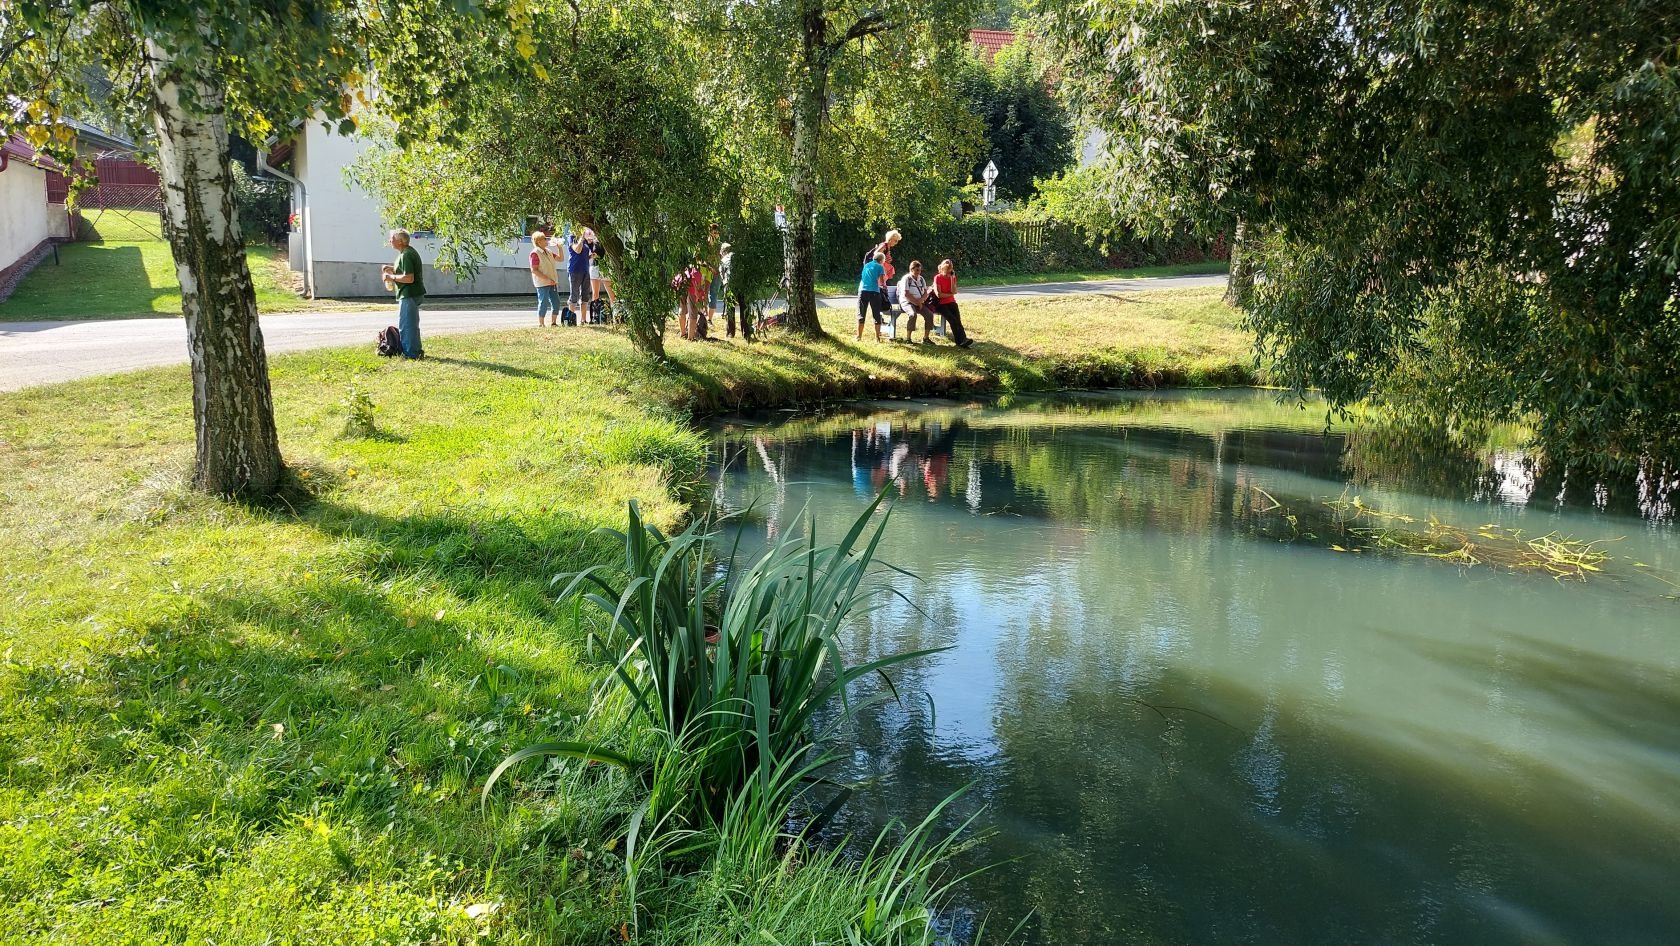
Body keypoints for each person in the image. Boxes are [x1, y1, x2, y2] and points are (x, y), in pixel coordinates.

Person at [380, 229, 425, 358]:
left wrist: (390, 277)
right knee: (411, 324)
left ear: (400, 241)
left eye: (392, 239)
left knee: (407, 326)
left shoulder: (406, 255)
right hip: (412, 293)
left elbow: (409, 277)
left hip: (409, 293)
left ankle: (410, 353)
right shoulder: (407, 252)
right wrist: (391, 268)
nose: (390, 241)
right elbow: (404, 269)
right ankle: (415, 351)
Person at [932, 258, 972, 348]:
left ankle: (963, 339)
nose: (948, 272)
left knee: (958, 320)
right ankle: (959, 341)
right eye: (946, 270)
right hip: (941, 304)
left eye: (950, 270)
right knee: (953, 320)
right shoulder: (937, 278)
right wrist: (950, 294)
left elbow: (954, 291)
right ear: (942, 269)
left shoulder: (952, 277)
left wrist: (951, 279)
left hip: (951, 302)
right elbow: (939, 295)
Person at [897, 260, 936, 344]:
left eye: (920, 270)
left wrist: (921, 301)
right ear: (911, 269)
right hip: (907, 302)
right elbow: (906, 294)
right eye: (917, 270)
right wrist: (917, 303)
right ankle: (908, 339)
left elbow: (925, 293)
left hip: (919, 302)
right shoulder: (906, 279)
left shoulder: (921, 279)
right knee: (912, 314)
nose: (919, 272)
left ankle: (926, 338)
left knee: (929, 315)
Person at [529, 230, 562, 326]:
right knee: (543, 302)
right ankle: (541, 323)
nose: (546, 240)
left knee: (556, 302)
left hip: (552, 282)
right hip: (542, 283)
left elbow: (560, 259)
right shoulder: (535, 253)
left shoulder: (548, 251)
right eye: (544, 239)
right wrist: (547, 279)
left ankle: (553, 322)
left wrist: (560, 248)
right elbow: (534, 270)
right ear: (538, 241)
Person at [857, 250, 889, 342]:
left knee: (861, 313)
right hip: (874, 291)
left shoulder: (866, 265)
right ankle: (877, 338)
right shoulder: (880, 267)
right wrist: (884, 286)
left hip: (863, 290)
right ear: (881, 260)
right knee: (876, 314)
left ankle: (859, 336)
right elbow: (882, 282)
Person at [585, 229, 615, 317]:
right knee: (595, 293)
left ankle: (615, 314)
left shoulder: (607, 240)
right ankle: (595, 315)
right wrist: (592, 255)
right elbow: (589, 254)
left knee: (611, 292)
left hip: (605, 267)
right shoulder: (592, 241)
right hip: (595, 267)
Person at [564, 227, 591, 325]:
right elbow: (577, 250)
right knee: (574, 294)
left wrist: (590, 256)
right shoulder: (572, 238)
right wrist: (582, 238)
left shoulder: (585, 240)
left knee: (585, 295)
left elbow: (583, 254)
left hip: (585, 269)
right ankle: (571, 318)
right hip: (575, 269)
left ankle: (583, 320)